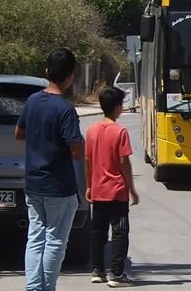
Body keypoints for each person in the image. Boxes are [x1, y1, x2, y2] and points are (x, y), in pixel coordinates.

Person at [15, 47, 84, 291]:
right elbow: (76, 150)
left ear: (47, 72)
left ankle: (34, 287)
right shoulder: (65, 110)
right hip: (59, 186)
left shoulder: (33, 101)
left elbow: (18, 133)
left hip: (33, 183)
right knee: (55, 240)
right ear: (71, 76)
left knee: (35, 237)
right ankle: (46, 287)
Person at [85, 86, 139, 287]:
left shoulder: (91, 130)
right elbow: (124, 161)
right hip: (117, 191)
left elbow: (87, 160)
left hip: (98, 190)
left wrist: (89, 186)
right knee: (120, 232)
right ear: (117, 107)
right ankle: (116, 274)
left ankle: (97, 270)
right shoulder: (120, 131)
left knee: (98, 233)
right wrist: (132, 189)